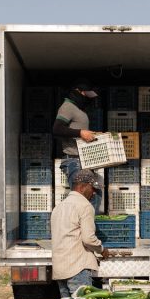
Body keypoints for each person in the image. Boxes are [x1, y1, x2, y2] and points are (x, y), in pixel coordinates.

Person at [51, 169, 110, 298]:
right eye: (92, 188)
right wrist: (102, 249)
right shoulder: (84, 206)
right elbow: (88, 239)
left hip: (60, 269)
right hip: (77, 268)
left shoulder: (59, 207)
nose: (94, 193)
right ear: (82, 187)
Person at [52, 79, 101, 210]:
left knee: (94, 196)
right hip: (74, 161)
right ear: (78, 92)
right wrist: (80, 133)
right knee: (87, 200)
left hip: (83, 161)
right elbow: (56, 129)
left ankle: (84, 229)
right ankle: (80, 229)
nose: (88, 99)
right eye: (86, 95)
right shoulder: (67, 107)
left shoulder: (79, 109)